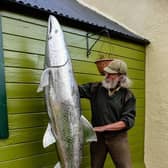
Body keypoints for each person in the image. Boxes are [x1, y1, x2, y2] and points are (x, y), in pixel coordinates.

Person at [78, 59, 136, 168]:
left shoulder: (128, 96)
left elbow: (127, 122)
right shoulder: (95, 88)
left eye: (111, 74)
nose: (106, 75)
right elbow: (74, 90)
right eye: (106, 73)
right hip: (97, 139)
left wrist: (102, 128)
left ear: (121, 77)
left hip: (118, 138)